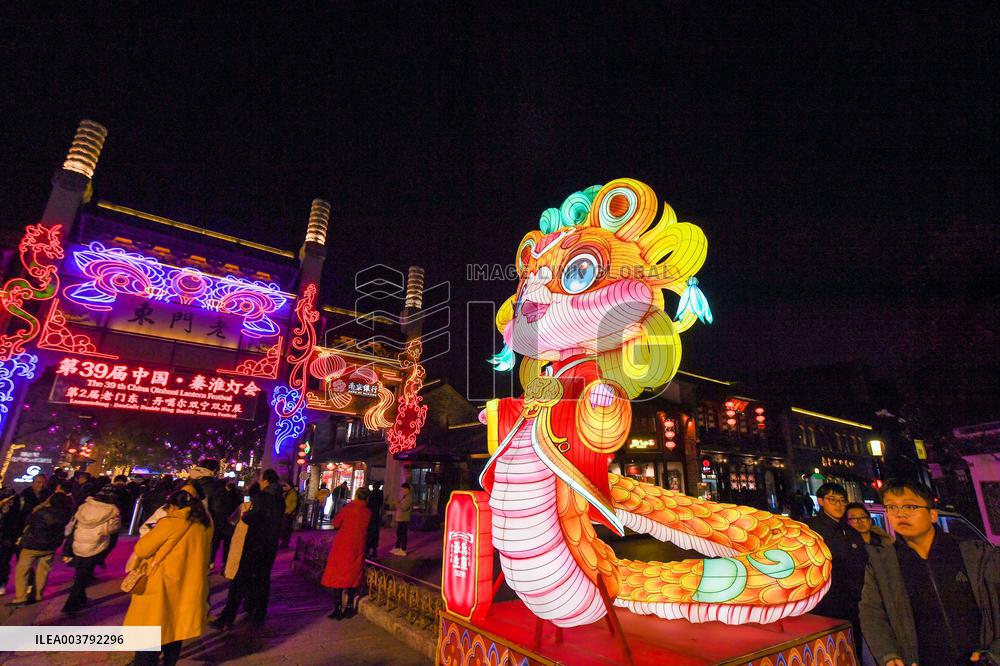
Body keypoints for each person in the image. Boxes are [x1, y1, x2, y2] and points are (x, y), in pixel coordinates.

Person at [860, 479, 999, 666]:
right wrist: (889, 654)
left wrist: (994, 653)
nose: (899, 514)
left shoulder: (973, 554)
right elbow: (872, 614)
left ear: (932, 514)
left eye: (909, 506)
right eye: (891, 507)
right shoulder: (882, 565)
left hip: (979, 660)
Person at [124, 487, 212, 666]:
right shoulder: (205, 524)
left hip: (162, 584)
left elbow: (142, 549)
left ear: (174, 505)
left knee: (150, 630)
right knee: (175, 629)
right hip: (188, 585)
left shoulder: (170, 523)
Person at [210, 469, 285, 627]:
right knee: (262, 579)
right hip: (269, 545)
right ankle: (258, 611)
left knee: (239, 581)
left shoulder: (262, 497)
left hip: (254, 544)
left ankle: (227, 616)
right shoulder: (279, 499)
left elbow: (251, 517)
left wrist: (246, 516)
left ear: (264, 480)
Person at [806, 482, 867, 658]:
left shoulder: (850, 531)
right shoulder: (811, 529)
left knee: (854, 651)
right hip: (825, 605)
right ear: (821, 501)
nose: (839, 505)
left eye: (842, 500)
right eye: (833, 500)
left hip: (853, 604)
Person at [7, 483, 74, 606]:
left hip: (32, 546)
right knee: (43, 571)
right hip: (51, 546)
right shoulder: (65, 514)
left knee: (22, 571)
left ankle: (21, 597)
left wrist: (45, 502)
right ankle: (38, 595)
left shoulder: (41, 512)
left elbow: (31, 517)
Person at [62, 487, 121, 613]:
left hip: (79, 543)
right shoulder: (111, 511)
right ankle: (70, 605)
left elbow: (74, 523)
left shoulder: (84, 507)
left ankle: (81, 598)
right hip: (95, 545)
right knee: (83, 577)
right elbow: (112, 530)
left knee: (80, 574)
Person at [321, 487, 372, 619]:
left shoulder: (348, 509)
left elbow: (336, 523)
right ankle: (349, 607)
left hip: (342, 546)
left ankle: (337, 608)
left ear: (356, 496)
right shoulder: (367, 512)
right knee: (353, 576)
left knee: (338, 576)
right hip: (357, 546)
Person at [209, 480, 242, 571]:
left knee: (215, 543)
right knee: (227, 544)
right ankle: (224, 563)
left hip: (218, 522)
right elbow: (237, 504)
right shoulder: (232, 494)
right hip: (228, 522)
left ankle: (211, 563)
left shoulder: (215, 494)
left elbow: (212, 508)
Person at [0, 488, 19, 595]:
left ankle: (2, 583)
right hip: (5, 537)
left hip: (8, 538)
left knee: (3, 562)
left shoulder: (15, 510)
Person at [391, 482, 412, 556]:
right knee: (399, 534)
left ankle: (403, 549)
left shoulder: (408, 498)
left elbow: (404, 507)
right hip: (401, 519)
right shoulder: (405, 497)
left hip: (404, 519)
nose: (402, 491)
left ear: (407, 489)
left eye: (403, 489)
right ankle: (397, 548)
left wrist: (397, 503)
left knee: (403, 534)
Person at [365, 482, 384, 558]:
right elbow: (381, 503)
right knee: (375, 532)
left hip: (371, 514)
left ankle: (368, 549)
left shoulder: (371, 494)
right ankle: (374, 550)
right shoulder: (380, 493)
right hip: (376, 514)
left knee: (370, 532)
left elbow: (368, 503)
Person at [280, 481, 300, 548]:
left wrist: (288, 512)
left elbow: (294, 504)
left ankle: (285, 543)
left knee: (286, 529)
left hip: (288, 514)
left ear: (290, 486)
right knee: (284, 528)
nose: (286, 487)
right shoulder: (287, 493)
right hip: (285, 512)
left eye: (287, 485)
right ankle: (284, 542)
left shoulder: (293, 493)